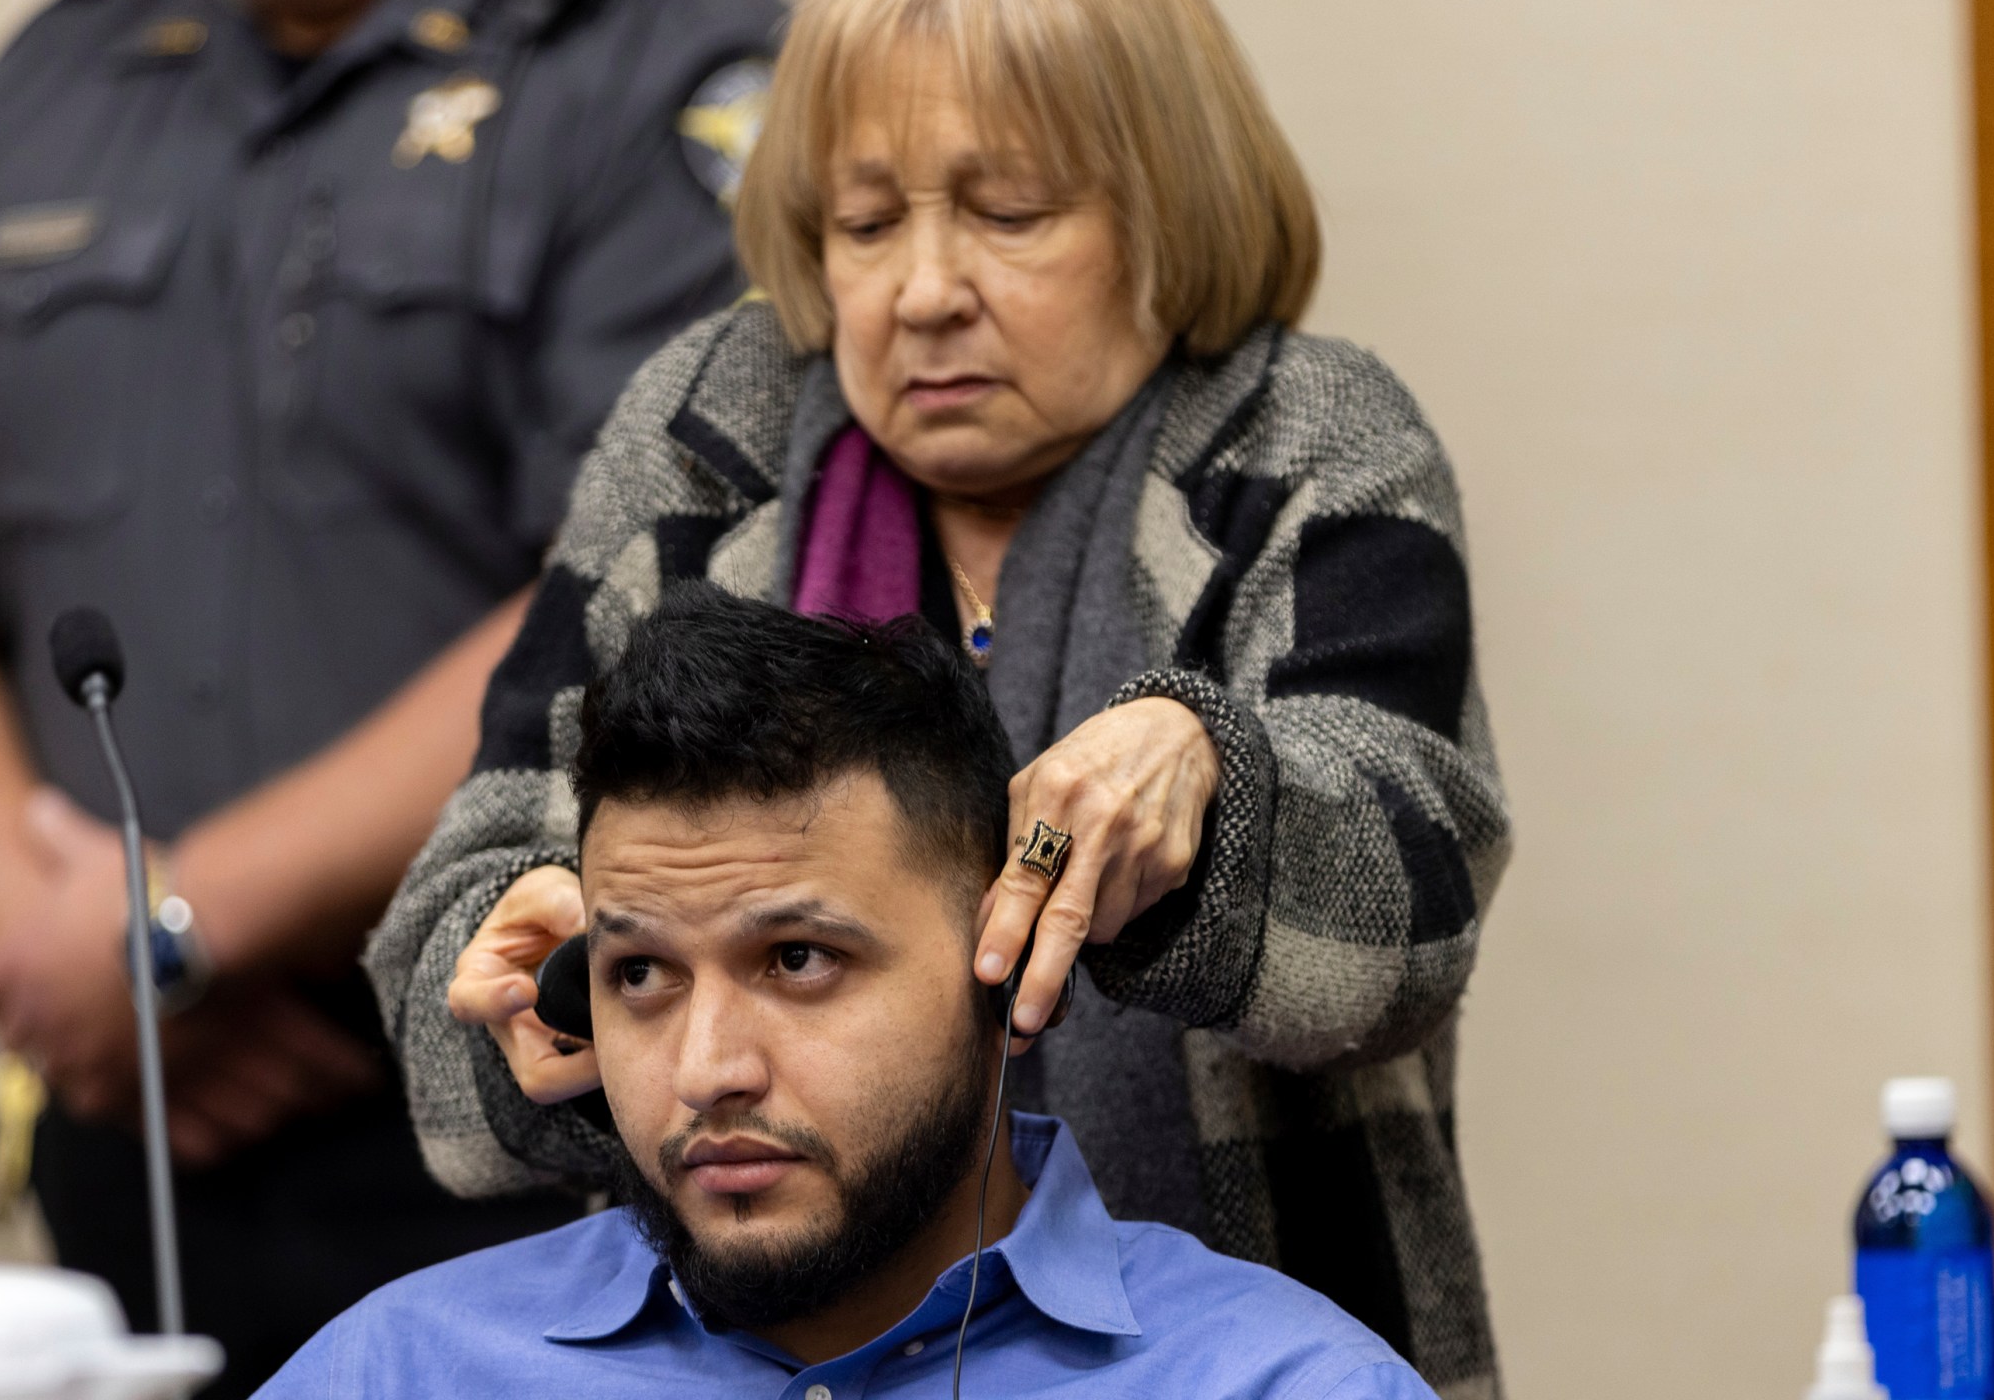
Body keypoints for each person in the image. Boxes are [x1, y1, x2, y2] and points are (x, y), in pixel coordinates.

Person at [373, 0, 1513, 1392]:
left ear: (1171, 207)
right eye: (861, 224)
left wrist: (1208, 790)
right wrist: (560, 982)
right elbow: (448, 1009)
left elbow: (1401, 946)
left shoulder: (1308, 438)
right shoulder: (700, 440)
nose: (920, 295)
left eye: (1009, 215)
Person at [0, 0, 783, 1390]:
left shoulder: (659, 63)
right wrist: (87, 957)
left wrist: (181, 926)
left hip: (527, 1086)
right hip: (136, 1109)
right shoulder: (50, 89)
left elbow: (657, 577)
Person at [270, 590, 1438, 1398]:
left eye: (797, 962)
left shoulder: (1273, 1383)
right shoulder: (400, 1370)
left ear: (1011, 949)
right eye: (639, 974)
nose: (706, 1069)